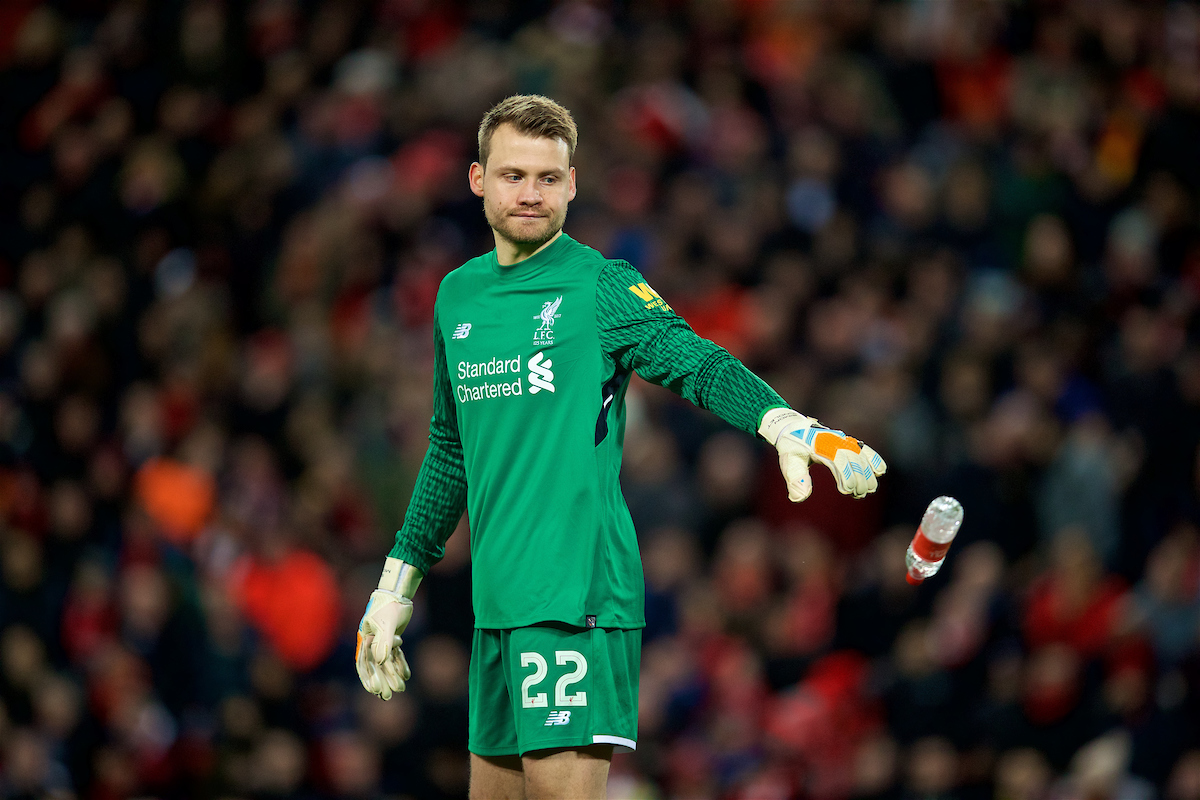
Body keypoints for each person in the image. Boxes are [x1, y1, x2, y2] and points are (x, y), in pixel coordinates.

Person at [354, 95, 887, 800]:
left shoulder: (599, 287)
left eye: (549, 178)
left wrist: (783, 423)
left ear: (572, 185)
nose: (532, 194)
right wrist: (397, 583)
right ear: (479, 179)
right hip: (499, 604)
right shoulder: (457, 298)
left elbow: (693, 359)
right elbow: (451, 450)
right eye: (514, 175)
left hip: (577, 595)